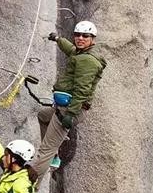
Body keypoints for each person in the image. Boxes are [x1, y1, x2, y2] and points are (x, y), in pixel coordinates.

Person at [29, 20, 106, 182]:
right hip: (65, 107)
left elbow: (82, 90)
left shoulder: (87, 61)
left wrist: (70, 114)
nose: (80, 38)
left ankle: (29, 186)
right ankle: (55, 155)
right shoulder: (80, 54)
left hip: (70, 109)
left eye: (86, 36)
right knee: (43, 116)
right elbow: (70, 49)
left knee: (45, 151)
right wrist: (57, 39)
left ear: (93, 39)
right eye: (77, 35)